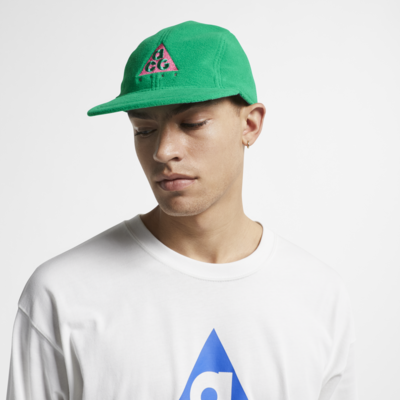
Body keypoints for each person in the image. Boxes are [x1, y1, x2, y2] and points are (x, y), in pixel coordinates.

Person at [6, 20, 358, 400]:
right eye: (143, 130)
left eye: (191, 123)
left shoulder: (319, 296)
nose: (163, 151)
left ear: (250, 125)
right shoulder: (63, 294)